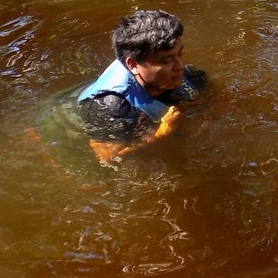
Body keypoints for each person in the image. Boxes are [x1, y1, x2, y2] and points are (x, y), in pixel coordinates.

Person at [76, 9, 204, 164]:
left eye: (179, 54)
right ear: (133, 64)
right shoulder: (110, 107)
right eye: (166, 61)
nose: (180, 65)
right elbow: (107, 156)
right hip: (60, 122)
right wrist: (160, 133)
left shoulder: (191, 75)